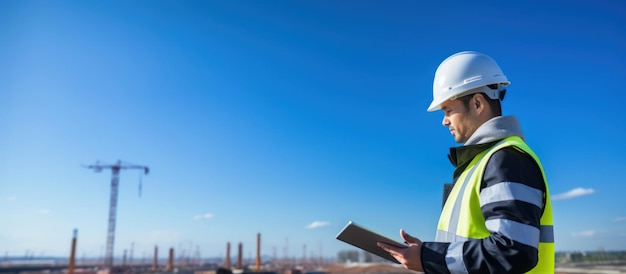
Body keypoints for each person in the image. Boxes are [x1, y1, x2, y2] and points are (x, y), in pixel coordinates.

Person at [377, 51, 554, 273]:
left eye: (448, 110)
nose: (444, 121)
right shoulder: (481, 163)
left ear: (478, 103)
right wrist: (428, 252)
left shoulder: (506, 160)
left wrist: (428, 258)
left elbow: (512, 251)